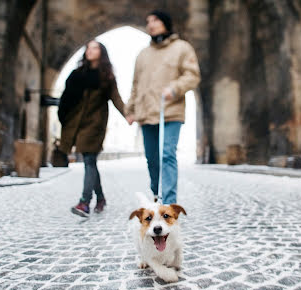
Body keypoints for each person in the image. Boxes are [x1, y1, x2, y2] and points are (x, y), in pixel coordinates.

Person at [125, 10, 201, 205]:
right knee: (152, 159)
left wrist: (174, 89)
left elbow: (192, 76)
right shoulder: (142, 54)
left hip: (170, 111)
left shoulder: (182, 48)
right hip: (146, 112)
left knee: (167, 154)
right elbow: (135, 85)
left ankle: (169, 202)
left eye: (155, 20)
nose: (151, 24)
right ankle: (156, 195)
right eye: (148, 21)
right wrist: (130, 110)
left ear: (165, 23)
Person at [58, 40, 126, 217]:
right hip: (76, 123)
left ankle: (84, 202)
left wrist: (128, 114)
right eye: (88, 48)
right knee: (90, 162)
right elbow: (66, 97)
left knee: (89, 160)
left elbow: (116, 98)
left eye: (94, 48)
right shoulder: (77, 74)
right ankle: (101, 198)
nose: (90, 51)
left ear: (101, 53)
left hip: (95, 124)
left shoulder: (107, 77)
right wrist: (63, 117)